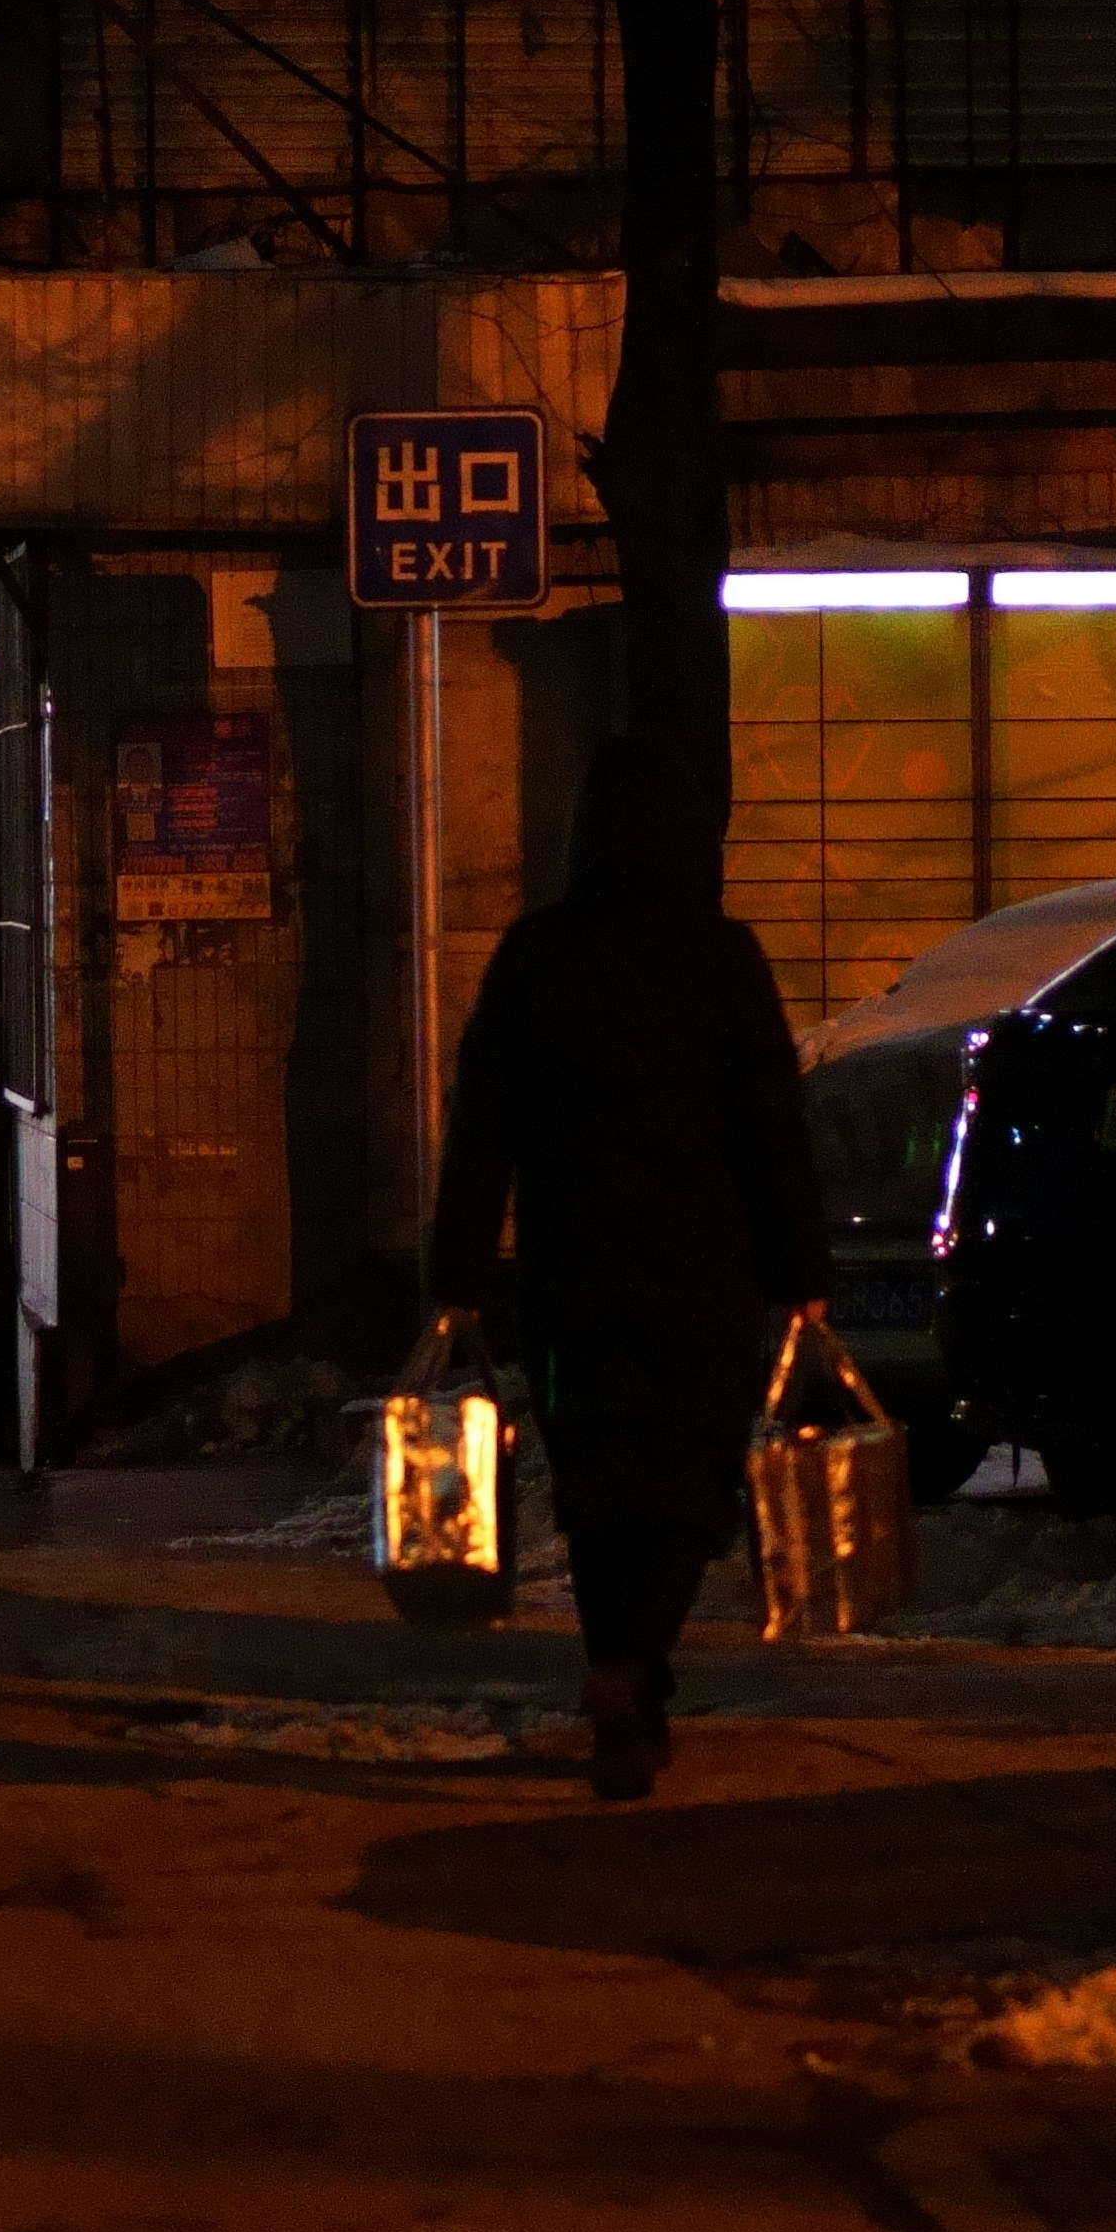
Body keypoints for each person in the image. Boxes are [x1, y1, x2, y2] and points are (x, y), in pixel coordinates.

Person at [426, 732, 826, 1803]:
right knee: (688, 1481)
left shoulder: (534, 955)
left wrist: (457, 1270)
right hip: (706, 1272)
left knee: (598, 1479)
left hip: (573, 1275)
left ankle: (619, 1676)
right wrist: (802, 1262)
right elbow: (772, 1126)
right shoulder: (724, 957)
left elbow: (481, 1127)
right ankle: (634, 1666)